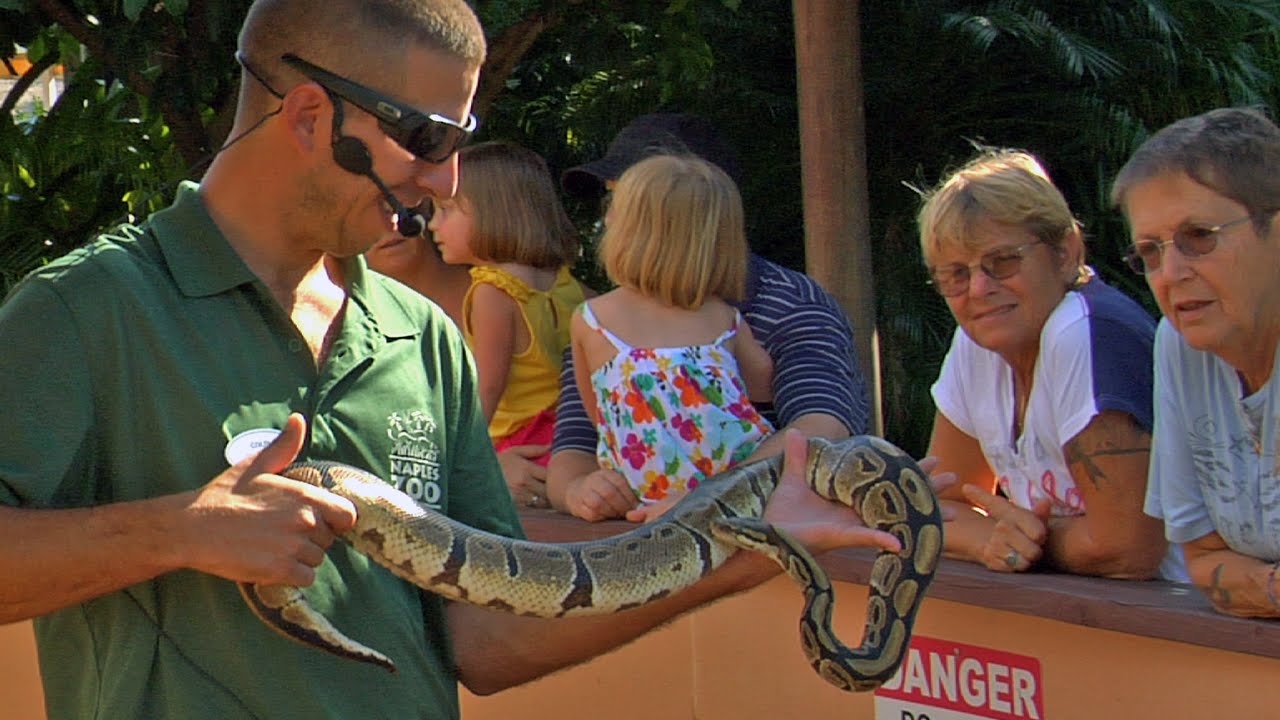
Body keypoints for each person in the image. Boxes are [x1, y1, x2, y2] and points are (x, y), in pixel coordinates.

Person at [0, 2, 914, 718]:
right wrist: (178, 531)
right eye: (428, 139)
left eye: (459, 144)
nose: (445, 180)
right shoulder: (86, 311)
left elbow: (490, 636)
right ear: (311, 114)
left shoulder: (423, 333)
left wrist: (755, 549)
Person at [550, 112, 870, 522]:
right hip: (644, 543)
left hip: (772, 546)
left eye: (623, 202)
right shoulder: (604, 321)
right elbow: (573, 451)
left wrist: (706, 501)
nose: (607, 219)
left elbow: (824, 428)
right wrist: (581, 491)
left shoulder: (793, 304)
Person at [918, 148, 1183, 580]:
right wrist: (992, 540)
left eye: (1003, 262)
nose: (979, 289)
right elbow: (939, 505)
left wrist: (1027, 542)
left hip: (1184, 625)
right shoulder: (978, 340)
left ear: (1066, 251)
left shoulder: (1084, 329)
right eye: (955, 275)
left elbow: (1128, 546)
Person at [1112, 106, 1280, 615]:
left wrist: (1255, 584)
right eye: (1151, 251)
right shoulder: (1179, 343)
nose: (1171, 273)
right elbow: (1204, 562)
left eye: (1199, 237)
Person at [570, 153, 774, 504]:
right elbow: (763, 386)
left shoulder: (591, 319)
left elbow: (597, 412)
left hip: (643, 493)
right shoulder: (724, 319)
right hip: (738, 493)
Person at [430, 140, 587, 477]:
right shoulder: (566, 284)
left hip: (517, 442)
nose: (432, 225)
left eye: (446, 210)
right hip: (566, 440)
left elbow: (486, 389)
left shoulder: (492, 291)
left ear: (493, 211)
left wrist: (461, 463)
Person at [366, 218, 471, 328]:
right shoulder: (359, 327)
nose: (390, 225)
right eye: (364, 218)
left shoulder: (487, 275)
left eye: (395, 204)